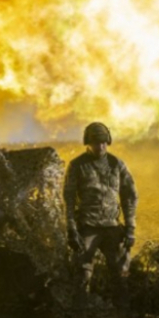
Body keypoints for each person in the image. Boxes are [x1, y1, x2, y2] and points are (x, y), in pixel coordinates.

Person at [63, 121, 138, 304]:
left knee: (121, 272)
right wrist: (72, 229)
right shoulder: (77, 165)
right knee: (82, 273)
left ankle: (122, 316)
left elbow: (129, 196)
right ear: (88, 143)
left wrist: (130, 227)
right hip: (88, 227)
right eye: (96, 142)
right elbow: (69, 199)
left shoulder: (117, 164)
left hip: (112, 227)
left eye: (104, 142)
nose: (100, 146)